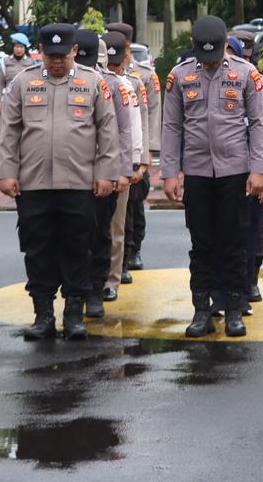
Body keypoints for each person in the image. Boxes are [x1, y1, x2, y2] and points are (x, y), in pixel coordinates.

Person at [0, 23, 122, 341]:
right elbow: (9, 131)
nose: (56, 61)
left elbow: (108, 131)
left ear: (74, 51)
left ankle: (74, 315)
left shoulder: (93, 82)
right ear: (41, 52)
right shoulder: (23, 82)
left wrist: (106, 173)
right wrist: (6, 172)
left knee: (77, 249)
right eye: (50, 55)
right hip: (34, 184)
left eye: (62, 56)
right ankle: (43, 316)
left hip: (79, 183)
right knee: (37, 250)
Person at [161, 15, 263, 338]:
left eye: (215, 55)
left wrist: (259, 170)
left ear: (225, 45)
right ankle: (201, 311)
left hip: (235, 172)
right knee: (201, 245)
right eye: (203, 55)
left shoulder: (246, 73)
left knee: (234, 242)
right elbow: (171, 126)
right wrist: (169, 173)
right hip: (196, 173)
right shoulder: (180, 76)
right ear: (194, 46)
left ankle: (234, 309)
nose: (209, 63)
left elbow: (258, 122)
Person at [73, 30, 137, 320]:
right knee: (75, 235)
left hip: (105, 171)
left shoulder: (113, 85)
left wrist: (125, 170)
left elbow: (126, 129)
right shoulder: (66, 83)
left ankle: (102, 286)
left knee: (105, 232)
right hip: (73, 173)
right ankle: (76, 291)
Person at [230, 35, 263, 304]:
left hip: (256, 170)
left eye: (245, 56)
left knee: (254, 228)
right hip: (229, 170)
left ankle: (251, 281)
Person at [106, 23, 159, 273]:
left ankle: (132, 249)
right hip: (110, 153)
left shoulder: (143, 76)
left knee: (134, 205)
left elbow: (150, 115)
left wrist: (147, 154)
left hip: (135, 152)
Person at [100, 29, 144, 301]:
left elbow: (133, 129)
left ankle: (111, 279)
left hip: (118, 165)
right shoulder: (87, 81)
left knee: (117, 225)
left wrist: (135, 165)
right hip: (88, 167)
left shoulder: (125, 86)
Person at [0, 32, 37, 109]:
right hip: (9, 101)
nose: (19, 49)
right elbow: (0, 84)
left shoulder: (32, 63)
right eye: (17, 46)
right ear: (13, 47)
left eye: (21, 47)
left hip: (27, 101)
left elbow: (35, 83)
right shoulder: (5, 62)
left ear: (25, 48)